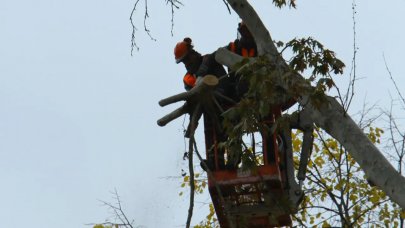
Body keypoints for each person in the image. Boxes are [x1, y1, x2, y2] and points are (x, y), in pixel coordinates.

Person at [174, 37, 232, 170]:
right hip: (209, 109)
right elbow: (192, 98)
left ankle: (234, 159)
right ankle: (215, 161)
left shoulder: (209, 60)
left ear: (193, 53)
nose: (187, 64)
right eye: (184, 62)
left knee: (230, 129)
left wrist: (202, 80)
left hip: (226, 101)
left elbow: (225, 83)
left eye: (188, 59)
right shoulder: (188, 79)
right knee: (211, 131)